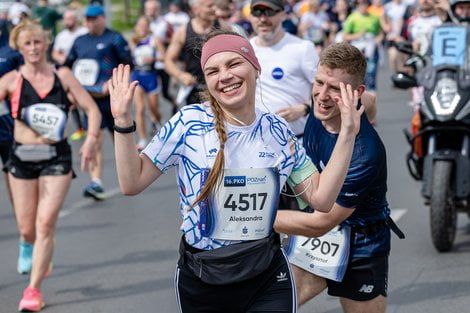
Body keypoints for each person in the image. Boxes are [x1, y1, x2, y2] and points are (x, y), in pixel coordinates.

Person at [109, 30, 364, 312]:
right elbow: (131, 183)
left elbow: (321, 199)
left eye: (233, 64)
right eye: (213, 71)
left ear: (255, 68)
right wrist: (123, 122)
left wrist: (348, 133)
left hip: (266, 274)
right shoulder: (189, 123)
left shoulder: (277, 130)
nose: (225, 76)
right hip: (203, 278)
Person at [274, 42, 404, 313]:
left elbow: (321, 222)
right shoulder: (324, 103)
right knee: (274, 302)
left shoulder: (364, 154)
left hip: (361, 241)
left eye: (334, 89)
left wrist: (251, 219)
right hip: (318, 237)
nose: (321, 95)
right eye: (319, 82)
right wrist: (304, 109)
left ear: (355, 93)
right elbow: (372, 101)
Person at [0, 20, 101, 312]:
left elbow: (91, 110)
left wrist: (92, 139)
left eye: (37, 42)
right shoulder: (11, 80)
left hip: (56, 156)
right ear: (19, 48)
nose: (33, 48)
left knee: (45, 223)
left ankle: (32, 290)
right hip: (21, 157)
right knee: (27, 226)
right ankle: (26, 243)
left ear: (46, 44)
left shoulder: (63, 75)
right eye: (27, 44)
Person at [65, 3, 133, 201]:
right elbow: (66, 67)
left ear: (103, 18)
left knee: (119, 138)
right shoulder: (80, 41)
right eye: (87, 19)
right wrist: (71, 91)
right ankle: (96, 182)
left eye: (93, 18)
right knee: (94, 139)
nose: (90, 22)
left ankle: (129, 176)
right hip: (90, 99)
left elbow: (128, 63)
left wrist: (112, 82)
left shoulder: (114, 38)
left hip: (112, 98)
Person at [164, 0, 219, 106]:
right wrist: (181, 75)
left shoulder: (223, 27)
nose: (214, 9)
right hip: (195, 91)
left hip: (220, 88)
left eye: (215, 5)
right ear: (195, 9)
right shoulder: (183, 31)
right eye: (209, 6)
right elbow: (168, 61)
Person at [51, 9, 88, 141]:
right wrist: (61, 58)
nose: (68, 22)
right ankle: (80, 128)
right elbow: (55, 53)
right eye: (66, 19)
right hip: (69, 72)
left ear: (76, 19)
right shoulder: (61, 36)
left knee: (86, 100)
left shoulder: (84, 32)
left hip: (84, 73)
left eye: (71, 19)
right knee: (72, 102)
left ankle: (88, 126)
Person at [130, 16, 166, 150]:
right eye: (140, 25)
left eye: (144, 25)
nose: (142, 28)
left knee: (153, 109)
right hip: (137, 76)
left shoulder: (154, 40)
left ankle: (159, 121)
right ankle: (143, 138)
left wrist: (154, 58)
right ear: (136, 27)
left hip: (151, 76)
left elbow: (164, 57)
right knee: (139, 109)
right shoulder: (133, 41)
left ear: (148, 27)